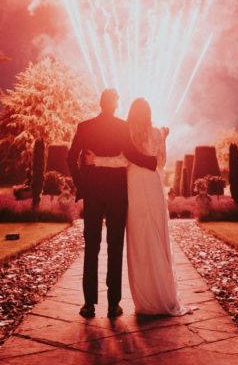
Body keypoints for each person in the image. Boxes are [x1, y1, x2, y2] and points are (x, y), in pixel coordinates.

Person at [86, 97, 189, 316]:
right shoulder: (157, 134)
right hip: (153, 186)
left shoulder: (128, 133)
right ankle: (164, 294)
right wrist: (163, 138)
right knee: (157, 238)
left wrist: (96, 160)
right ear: (149, 113)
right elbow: (161, 163)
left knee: (139, 242)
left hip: (134, 187)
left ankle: (146, 299)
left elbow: (122, 161)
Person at [67, 88, 158, 319]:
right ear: (115, 104)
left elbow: (70, 158)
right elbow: (129, 154)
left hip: (94, 194)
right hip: (117, 195)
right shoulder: (121, 127)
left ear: (100, 103)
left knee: (92, 248)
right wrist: (152, 160)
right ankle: (112, 304)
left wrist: (82, 185)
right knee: (115, 248)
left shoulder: (85, 127)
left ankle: (89, 304)